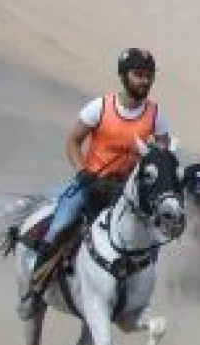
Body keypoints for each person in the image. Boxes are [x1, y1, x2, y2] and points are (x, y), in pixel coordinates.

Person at [26, 48, 170, 301]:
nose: (145, 81)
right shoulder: (100, 107)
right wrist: (82, 171)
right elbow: (73, 141)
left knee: (151, 238)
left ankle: (138, 296)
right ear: (123, 76)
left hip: (127, 191)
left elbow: (162, 157)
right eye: (138, 74)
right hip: (92, 183)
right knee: (59, 225)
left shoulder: (156, 116)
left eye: (149, 76)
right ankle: (35, 289)